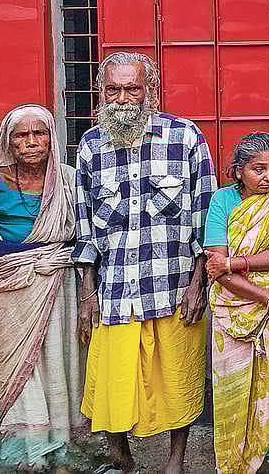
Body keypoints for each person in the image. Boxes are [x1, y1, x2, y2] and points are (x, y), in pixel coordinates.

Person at [73, 52, 216, 474]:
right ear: (102, 92)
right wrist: (87, 291)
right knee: (112, 383)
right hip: (115, 290)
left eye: (132, 88)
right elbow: (85, 225)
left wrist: (199, 283)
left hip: (173, 288)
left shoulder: (185, 136)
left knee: (179, 380)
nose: (123, 99)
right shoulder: (91, 145)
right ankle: (122, 460)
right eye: (114, 90)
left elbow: (206, 218)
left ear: (149, 91)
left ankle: (176, 461)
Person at [0, 104, 83, 472]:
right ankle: (27, 454)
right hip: (6, 286)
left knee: (55, 363)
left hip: (58, 283)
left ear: (52, 139)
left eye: (40, 134)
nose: (32, 142)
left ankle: (58, 451)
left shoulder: (69, 180)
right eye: (22, 135)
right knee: (17, 366)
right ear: (8, 142)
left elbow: (86, 237)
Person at [202, 133, 269, 474]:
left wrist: (234, 263)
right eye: (258, 169)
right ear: (238, 172)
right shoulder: (221, 202)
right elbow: (214, 268)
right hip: (233, 310)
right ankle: (237, 463)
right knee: (235, 391)